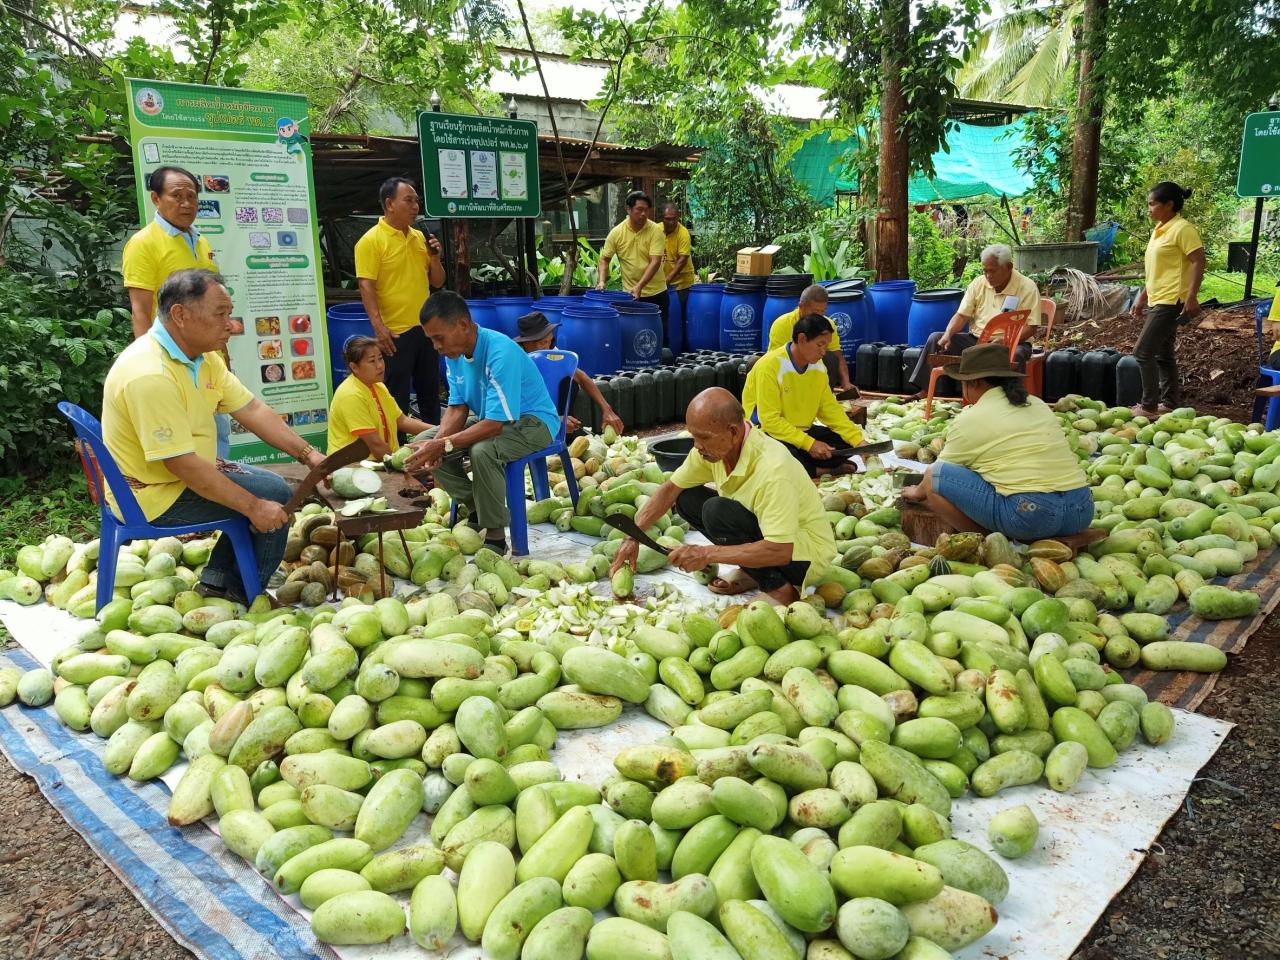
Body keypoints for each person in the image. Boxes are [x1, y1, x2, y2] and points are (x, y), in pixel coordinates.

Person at [101, 269, 326, 602]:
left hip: (177, 475)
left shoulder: (200, 358)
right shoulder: (149, 374)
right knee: (274, 499)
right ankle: (237, 594)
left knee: (273, 489)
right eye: (220, 314)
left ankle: (218, 580)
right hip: (153, 494)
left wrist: (309, 455)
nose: (231, 325)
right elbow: (183, 465)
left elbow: (251, 409)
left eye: (230, 313)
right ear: (180, 315)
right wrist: (254, 507)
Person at [609, 387, 836, 603]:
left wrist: (706, 554)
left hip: (803, 558)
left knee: (717, 511)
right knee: (687, 497)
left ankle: (780, 590)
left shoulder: (773, 469)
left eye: (703, 437)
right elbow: (671, 488)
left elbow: (781, 550)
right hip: (772, 540)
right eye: (694, 437)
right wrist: (633, 537)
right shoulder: (712, 450)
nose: (697, 446)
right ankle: (753, 572)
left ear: (734, 432)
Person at [404, 292, 560, 553]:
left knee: (483, 450)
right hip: (492, 417)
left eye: (438, 338)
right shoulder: (453, 356)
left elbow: (494, 427)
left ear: (463, 325)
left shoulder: (500, 352)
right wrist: (438, 443)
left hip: (534, 422)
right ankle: (478, 506)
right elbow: (457, 408)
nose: (436, 347)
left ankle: (496, 534)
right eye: (431, 340)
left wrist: (443, 444)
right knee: (424, 443)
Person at [900, 343, 1092, 541]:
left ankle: (992, 541)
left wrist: (918, 491)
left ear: (974, 383)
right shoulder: (1037, 403)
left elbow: (942, 470)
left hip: (1031, 516)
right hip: (1080, 511)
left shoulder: (971, 417)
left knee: (933, 477)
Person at [121, 166, 232, 459]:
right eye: (177, 196)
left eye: (191, 197)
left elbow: (214, 307)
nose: (186, 203)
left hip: (208, 360)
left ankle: (221, 496)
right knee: (187, 443)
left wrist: (223, 355)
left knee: (217, 436)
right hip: (172, 362)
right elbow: (141, 311)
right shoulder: (143, 244)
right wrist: (151, 367)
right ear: (156, 199)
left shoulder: (201, 241)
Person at [355, 177, 448, 425]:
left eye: (417, 201)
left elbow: (438, 282)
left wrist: (436, 258)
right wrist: (379, 328)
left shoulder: (420, 238)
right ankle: (398, 453)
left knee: (430, 392)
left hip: (426, 330)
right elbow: (366, 285)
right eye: (409, 200)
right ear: (390, 204)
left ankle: (434, 448)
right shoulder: (371, 241)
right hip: (395, 333)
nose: (416, 206)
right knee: (396, 398)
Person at [905, 244, 1040, 396]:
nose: (988, 275)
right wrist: (948, 335)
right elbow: (962, 315)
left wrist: (1004, 341)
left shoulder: (1027, 287)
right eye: (985, 270)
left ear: (1008, 267)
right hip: (977, 340)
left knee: (1016, 356)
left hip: (1014, 342)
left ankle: (1012, 398)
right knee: (936, 338)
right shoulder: (978, 283)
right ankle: (925, 390)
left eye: (992, 271)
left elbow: (1031, 327)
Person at [744, 314, 865, 477]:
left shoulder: (818, 368)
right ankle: (821, 470)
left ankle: (810, 468)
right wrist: (809, 444)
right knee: (781, 456)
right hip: (767, 434)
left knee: (845, 443)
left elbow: (830, 409)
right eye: (820, 345)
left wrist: (859, 441)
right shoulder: (769, 367)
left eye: (826, 346)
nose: (824, 352)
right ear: (802, 339)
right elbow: (770, 421)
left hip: (802, 432)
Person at [1129, 181, 1205, 416]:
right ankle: (1170, 403)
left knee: (1142, 352)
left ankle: (1149, 405)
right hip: (1157, 298)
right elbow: (1156, 270)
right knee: (1163, 353)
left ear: (1169, 204)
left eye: (1153, 204)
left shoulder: (1183, 229)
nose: (1149, 209)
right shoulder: (1160, 229)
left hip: (1172, 300)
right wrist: (1142, 298)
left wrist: (1191, 297)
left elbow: (1199, 261)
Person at [511, 312, 624, 436]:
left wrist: (606, 409)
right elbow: (513, 407)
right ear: (527, 343)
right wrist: (555, 420)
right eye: (543, 342)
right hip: (523, 421)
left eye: (550, 340)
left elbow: (580, 376)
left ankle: (563, 432)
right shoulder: (514, 362)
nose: (548, 346)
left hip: (550, 409)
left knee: (568, 381)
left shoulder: (549, 350)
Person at [327, 336, 435, 458]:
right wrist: (402, 465)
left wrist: (440, 432)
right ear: (354, 367)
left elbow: (401, 421)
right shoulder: (351, 395)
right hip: (352, 466)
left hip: (380, 460)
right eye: (372, 361)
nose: (380, 366)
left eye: (380, 358)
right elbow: (375, 445)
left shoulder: (378, 386)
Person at [764, 284, 856, 391]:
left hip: (814, 370)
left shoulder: (828, 325)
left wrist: (846, 382)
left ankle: (824, 394)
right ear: (801, 306)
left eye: (823, 311)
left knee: (831, 359)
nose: (819, 317)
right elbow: (775, 361)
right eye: (815, 312)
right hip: (787, 375)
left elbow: (838, 356)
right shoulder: (782, 324)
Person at [598, 190, 668, 328]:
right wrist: (601, 281)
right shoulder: (617, 233)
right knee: (633, 333)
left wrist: (639, 286)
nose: (643, 214)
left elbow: (655, 261)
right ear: (629, 209)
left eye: (646, 210)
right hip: (630, 295)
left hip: (656, 293)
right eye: (639, 210)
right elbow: (604, 259)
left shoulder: (656, 231)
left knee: (659, 334)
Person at [662, 203, 695, 347]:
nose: (670, 222)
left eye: (673, 219)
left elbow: (682, 261)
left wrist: (667, 280)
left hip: (681, 284)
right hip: (664, 285)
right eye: (667, 219)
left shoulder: (683, 233)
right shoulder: (656, 230)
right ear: (661, 218)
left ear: (678, 218)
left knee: (680, 319)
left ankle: (683, 349)